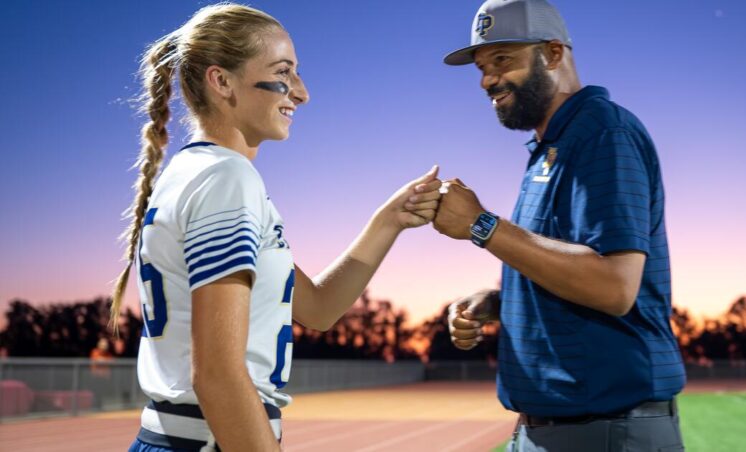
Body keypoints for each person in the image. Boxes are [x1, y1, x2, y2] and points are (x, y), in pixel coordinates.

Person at [108, 4, 441, 451]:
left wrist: (388, 221)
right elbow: (217, 375)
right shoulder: (227, 178)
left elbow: (318, 309)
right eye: (284, 72)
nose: (301, 93)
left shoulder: (192, 172)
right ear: (221, 81)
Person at [436, 1, 685, 450]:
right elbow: (568, 268)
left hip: (605, 428)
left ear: (553, 53)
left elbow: (613, 286)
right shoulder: (553, 147)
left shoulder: (603, 133)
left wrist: (481, 225)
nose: (487, 80)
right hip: (557, 427)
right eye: (482, 67)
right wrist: (501, 302)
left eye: (502, 59)